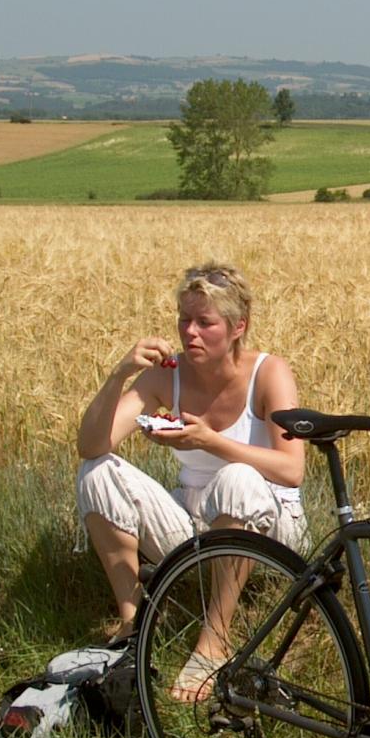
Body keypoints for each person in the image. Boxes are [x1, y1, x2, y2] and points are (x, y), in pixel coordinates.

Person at [76, 261, 308, 700]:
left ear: (238, 327)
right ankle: (134, 626)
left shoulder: (269, 372)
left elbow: (291, 469)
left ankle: (214, 641)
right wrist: (119, 374)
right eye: (184, 320)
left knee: (237, 477)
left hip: (271, 527)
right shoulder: (167, 372)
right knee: (97, 472)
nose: (190, 333)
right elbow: (91, 445)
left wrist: (211, 441)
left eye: (205, 322)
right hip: (194, 518)